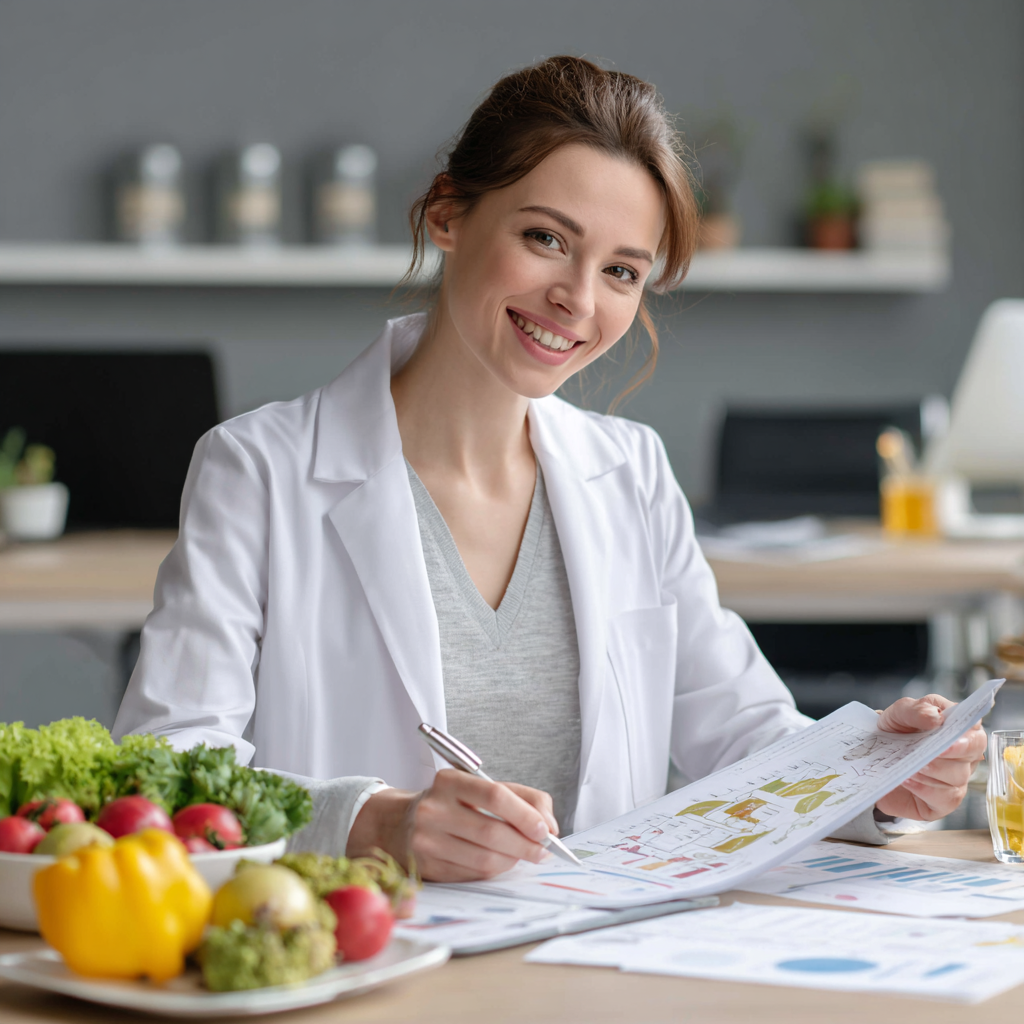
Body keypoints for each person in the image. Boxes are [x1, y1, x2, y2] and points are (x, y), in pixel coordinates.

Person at [113, 56, 985, 882]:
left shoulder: (630, 472)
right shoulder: (259, 469)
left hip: (596, 966)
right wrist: (371, 824)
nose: (578, 297)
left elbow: (745, 733)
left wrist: (875, 773)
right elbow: (166, 773)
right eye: (544, 237)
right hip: (371, 961)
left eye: (620, 271)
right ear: (447, 215)